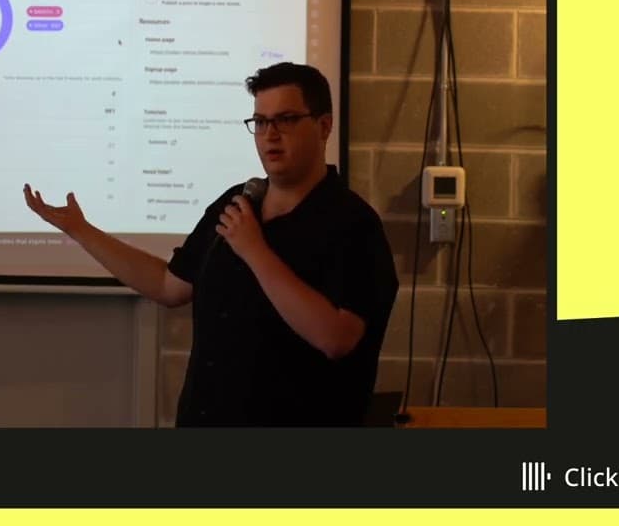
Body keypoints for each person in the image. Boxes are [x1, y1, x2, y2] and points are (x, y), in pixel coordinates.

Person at [23, 62, 399, 426]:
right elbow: (168, 285)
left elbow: (335, 337)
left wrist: (255, 251)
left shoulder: (353, 225)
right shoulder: (237, 204)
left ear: (324, 126)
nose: (270, 134)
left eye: (285, 119)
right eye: (260, 122)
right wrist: (81, 230)